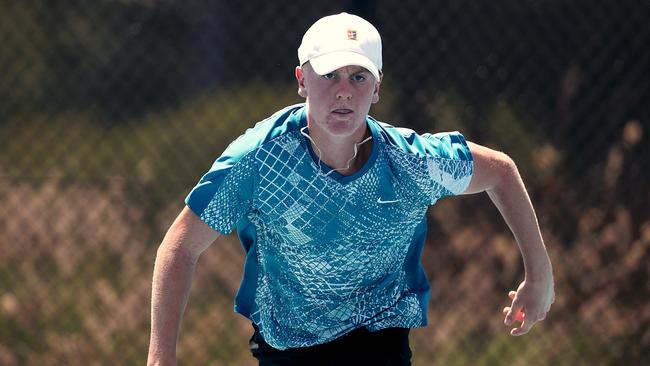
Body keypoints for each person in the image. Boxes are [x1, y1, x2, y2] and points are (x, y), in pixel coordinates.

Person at [147, 12, 554, 366]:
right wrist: (160, 358)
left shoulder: (412, 163)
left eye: (359, 77)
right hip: (289, 341)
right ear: (302, 80)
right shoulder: (258, 161)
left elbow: (501, 171)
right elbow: (181, 247)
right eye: (328, 75)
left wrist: (540, 276)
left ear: (377, 88)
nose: (344, 90)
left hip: (378, 334)